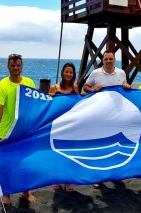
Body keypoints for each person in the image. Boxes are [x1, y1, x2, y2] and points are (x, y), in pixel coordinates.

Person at [0, 54, 36, 212]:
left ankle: (25, 192)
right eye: (13, 65)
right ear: (8, 66)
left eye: (18, 65)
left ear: (22, 66)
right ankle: (6, 195)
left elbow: (35, 106)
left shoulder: (29, 83)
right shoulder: (3, 85)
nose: (16, 68)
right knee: (7, 165)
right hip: (6, 132)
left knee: (25, 164)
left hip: (24, 132)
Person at [83, 50, 131, 189]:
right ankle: (97, 177)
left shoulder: (121, 73)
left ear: (114, 60)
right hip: (100, 116)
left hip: (117, 116)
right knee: (100, 146)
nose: (108, 61)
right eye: (106, 59)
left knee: (117, 146)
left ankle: (116, 176)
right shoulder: (96, 73)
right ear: (103, 60)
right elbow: (85, 87)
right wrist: (92, 89)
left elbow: (125, 88)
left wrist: (127, 87)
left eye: (111, 59)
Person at [49, 62, 79, 192]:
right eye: (66, 72)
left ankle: (67, 181)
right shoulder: (54, 88)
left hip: (71, 126)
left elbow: (79, 105)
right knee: (57, 153)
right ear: (62, 73)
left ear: (73, 74)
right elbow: (47, 107)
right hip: (57, 126)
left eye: (71, 72)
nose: (68, 74)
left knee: (69, 154)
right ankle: (56, 179)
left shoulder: (76, 88)